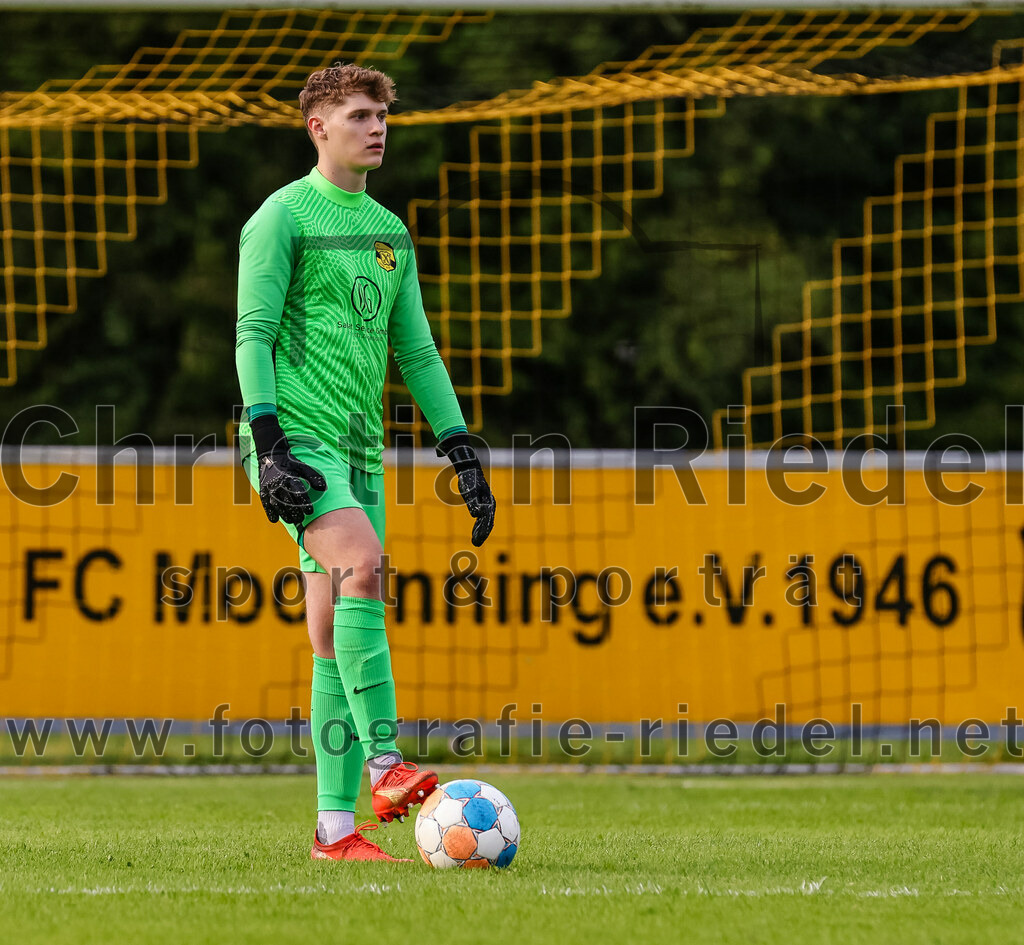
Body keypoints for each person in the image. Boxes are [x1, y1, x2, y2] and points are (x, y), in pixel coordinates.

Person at [234, 63, 496, 862]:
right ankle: (385, 763)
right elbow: (252, 335)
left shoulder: (390, 231)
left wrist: (461, 448)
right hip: (293, 441)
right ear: (318, 127)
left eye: (383, 114)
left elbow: (416, 351)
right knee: (364, 565)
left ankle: (334, 831)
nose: (377, 126)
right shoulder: (281, 216)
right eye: (359, 114)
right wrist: (270, 444)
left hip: (361, 451)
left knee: (329, 638)